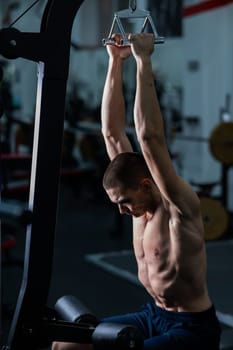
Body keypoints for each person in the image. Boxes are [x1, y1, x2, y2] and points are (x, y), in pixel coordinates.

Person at [52, 33, 221, 350]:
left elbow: (150, 139)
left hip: (192, 328)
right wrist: (115, 62)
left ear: (145, 185)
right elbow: (112, 132)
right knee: (66, 344)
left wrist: (143, 60)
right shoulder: (136, 199)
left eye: (125, 201)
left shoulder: (177, 207)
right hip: (152, 314)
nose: (121, 211)